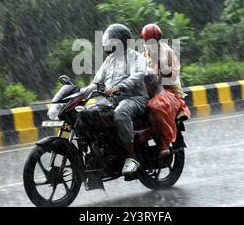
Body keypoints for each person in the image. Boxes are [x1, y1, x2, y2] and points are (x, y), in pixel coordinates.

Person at [81, 24, 148, 175]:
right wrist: (78, 93)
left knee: (121, 113)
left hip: (134, 98)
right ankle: (100, 153)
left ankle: (131, 158)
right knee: (90, 114)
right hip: (113, 99)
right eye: (107, 41)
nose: (108, 45)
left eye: (112, 42)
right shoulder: (109, 61)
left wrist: (119, 87)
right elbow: (96, 83)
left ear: (121, 42)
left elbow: (137, 76)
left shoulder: (136, 57)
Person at [141, 23, 191, 157]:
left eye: (153, 41)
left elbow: (172, 76)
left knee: (155, 105)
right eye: (148, 41)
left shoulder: (166, 52)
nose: (150, 43)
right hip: (150, 91)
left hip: (169, 92)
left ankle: (164, 144)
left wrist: (159, 73)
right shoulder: (144, 54)